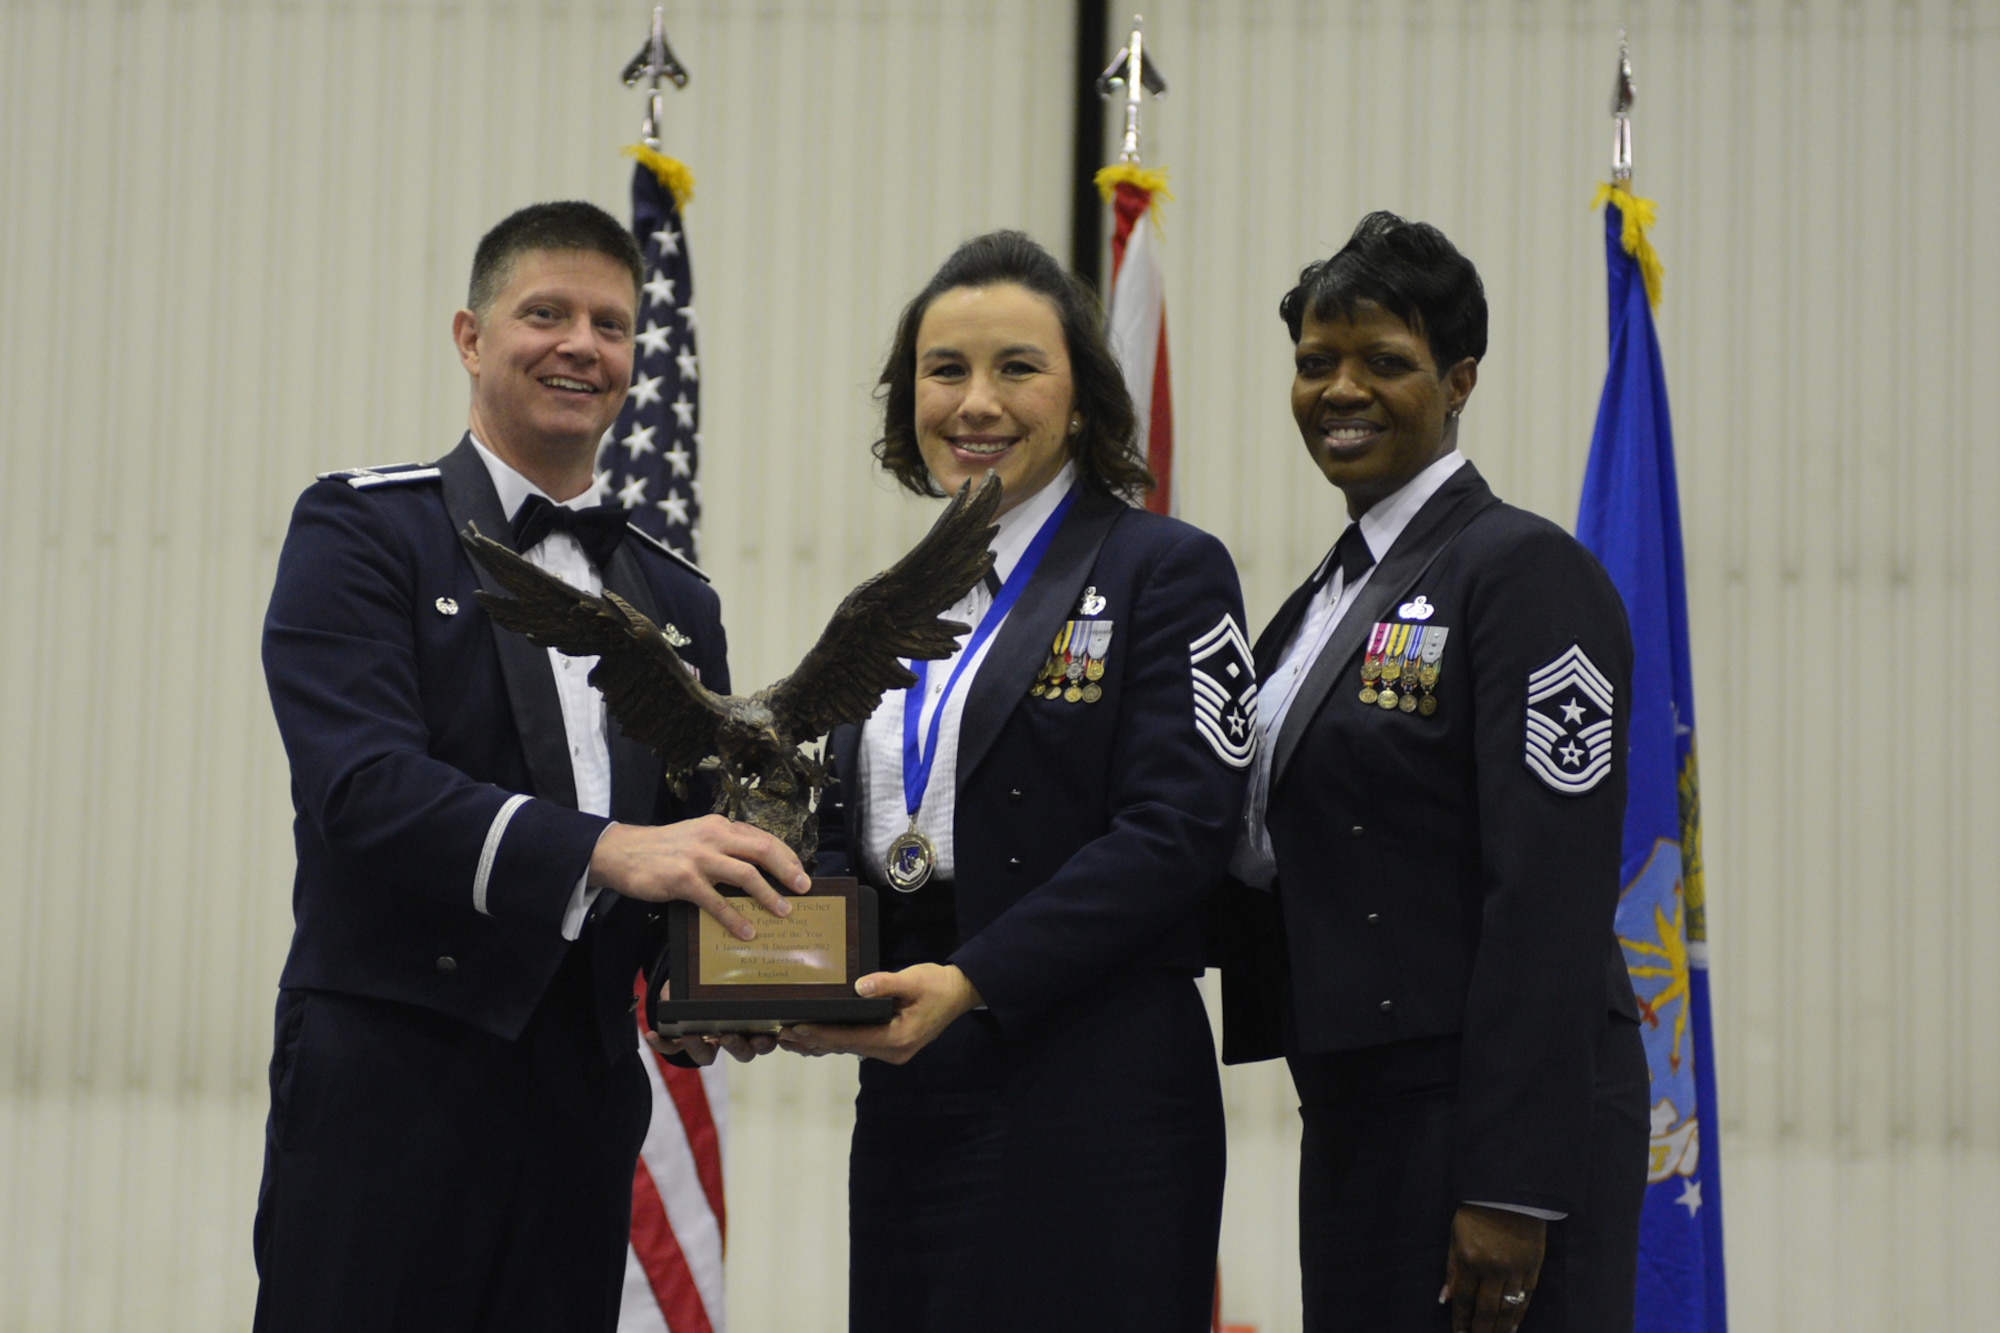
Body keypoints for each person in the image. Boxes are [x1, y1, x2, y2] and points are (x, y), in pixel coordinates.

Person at [253, 200, 809, 1333]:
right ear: (470, 335)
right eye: (543, 313)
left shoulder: (675, 598)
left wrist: (717, 988)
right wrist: (612, 851)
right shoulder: (363, 534)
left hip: (584, 1097)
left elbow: (683, 842)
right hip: (393, 1074)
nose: (579, 346)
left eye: (609, 325)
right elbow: (361, 789)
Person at [777, 231, 1256, 1332]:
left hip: (1090, 1091)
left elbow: (1178, 829)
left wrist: (973, 978)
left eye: (1016, 368)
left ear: (1081, 401)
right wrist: (770, 970)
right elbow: (852, 829)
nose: (975, 402)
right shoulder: (886, 602)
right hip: (910, 1086)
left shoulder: (1163, 570)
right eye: (944, 370)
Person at [1216, 212, 1649, 1333]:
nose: (1338, 389)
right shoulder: (1317, 601)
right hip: (1362, 1107)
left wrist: (1509, 1183)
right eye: (1315, 363)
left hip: (1483, 1119)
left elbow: (1546, 894)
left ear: (1459, 380)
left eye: (1382, 362)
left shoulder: (1521, 573)